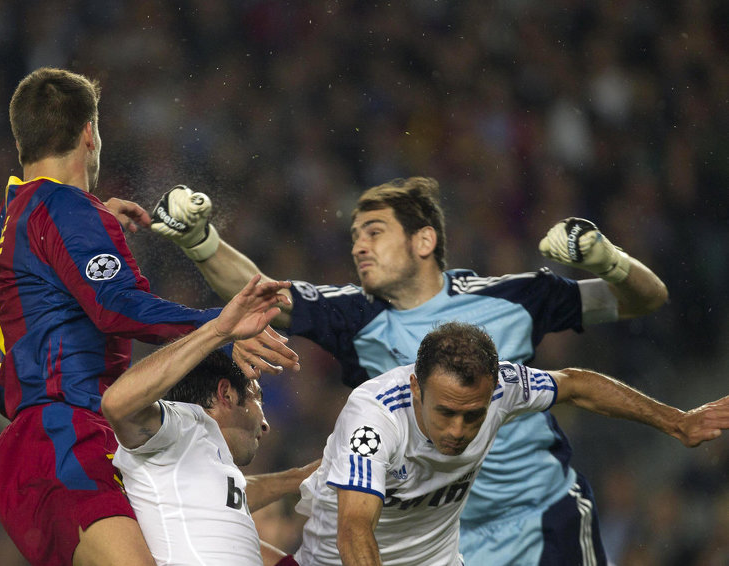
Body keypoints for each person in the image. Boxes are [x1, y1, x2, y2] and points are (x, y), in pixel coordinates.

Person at [151, 177, 669, 564]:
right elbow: (264, 296)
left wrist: (605, 258)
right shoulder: (354, 315)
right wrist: (203, 243)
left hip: (540, 517)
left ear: (424, 242)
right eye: (355, 235)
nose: (358, 245)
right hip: (444, 539)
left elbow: (645, 300)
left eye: (374, 232)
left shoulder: (514, 297)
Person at [0, 67, 299, 566]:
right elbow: (116, 307)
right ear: (90, 133)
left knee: (229, 544)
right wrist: (219, 325)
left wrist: (92, 223)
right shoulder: (64, 210)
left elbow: (45, 282)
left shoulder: (21, 207)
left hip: (62, 439)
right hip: (61, 433)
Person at [292, 321, 729, 566]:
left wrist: (678, 422)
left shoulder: (504, 386)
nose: (460, 431)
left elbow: (576, 384)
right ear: (415, 390)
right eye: (446, 412)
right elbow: (354, 529)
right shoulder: (372, 418)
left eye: (473, 415)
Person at [102, 275, 317, 566]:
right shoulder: (181, 426)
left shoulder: (207, 468)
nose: (265, 423)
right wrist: (217, 331)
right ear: (225, 394)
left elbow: (235, 492)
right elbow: (117, 404)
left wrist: (301, 478)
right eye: (257, 398)